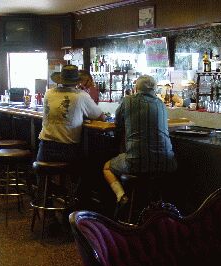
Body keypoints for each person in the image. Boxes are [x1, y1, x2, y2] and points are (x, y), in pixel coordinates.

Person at [103, 75, 177, 204]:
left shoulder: (128, 101)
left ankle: (122, 197)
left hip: (136, 163)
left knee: (107, 167)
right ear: (155, 89)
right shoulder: (161, 104)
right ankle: (156, 205)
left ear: (136, 88)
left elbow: (118, 123)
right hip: (168, 163)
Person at [37, 64, 105, 163]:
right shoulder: (81, 95)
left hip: (44, 149)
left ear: (60, 79)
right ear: (77, 81)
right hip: (67, 150)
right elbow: (101, 117)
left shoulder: (48, 93)